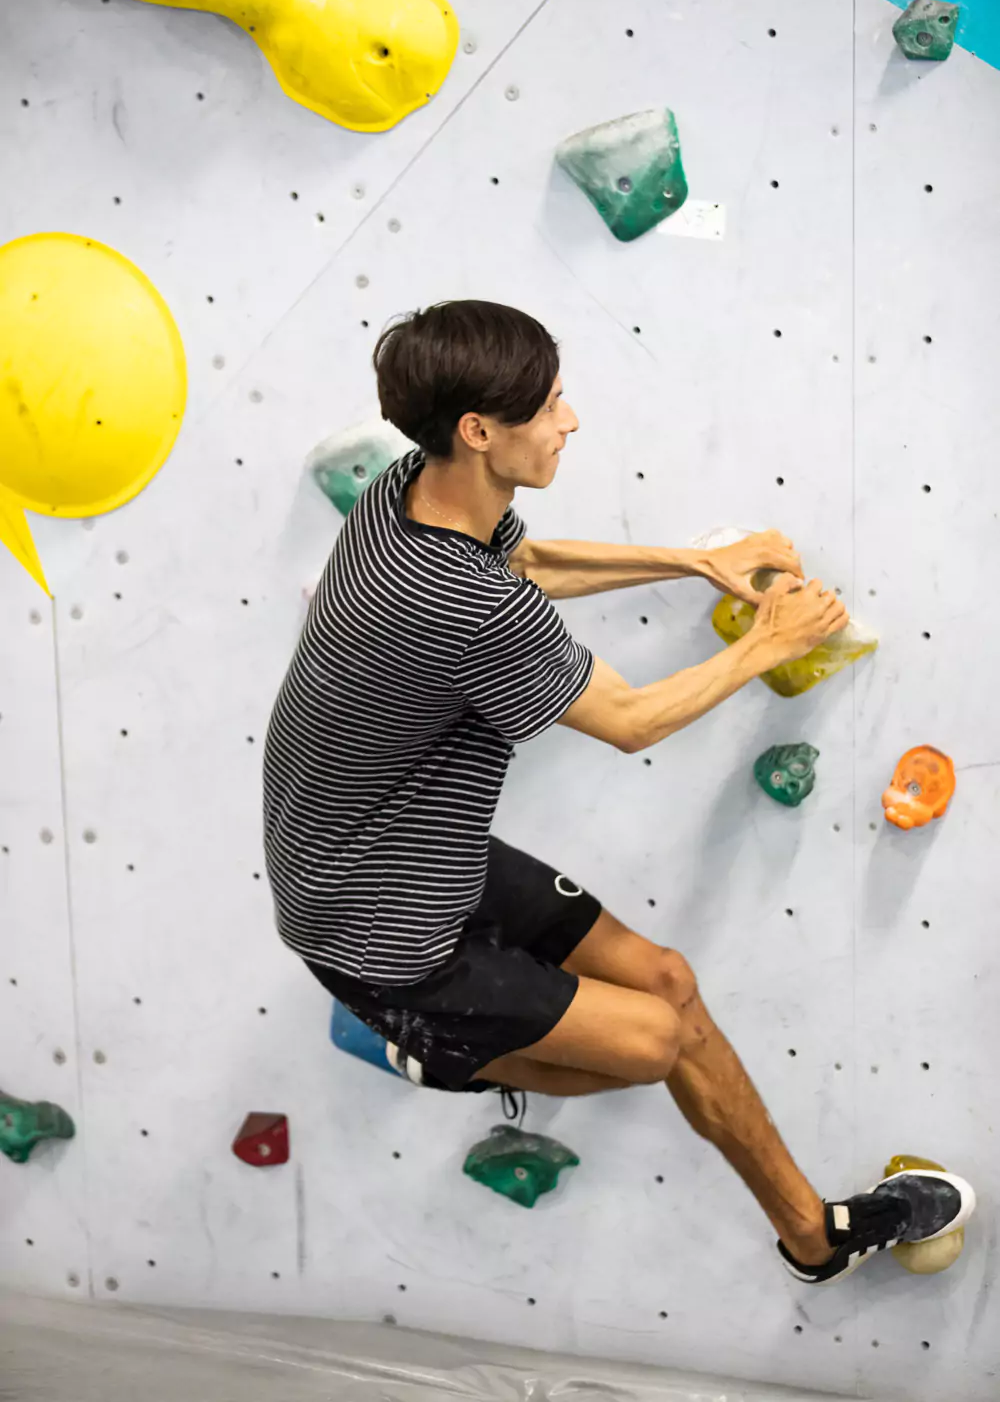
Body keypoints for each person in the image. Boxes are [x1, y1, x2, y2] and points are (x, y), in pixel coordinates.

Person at [263, 300, 974, 1286]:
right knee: (656, 1041)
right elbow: (631, 719)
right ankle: (434, 1048)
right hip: (376, 928)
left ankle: (813, 1239)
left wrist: (693, 560)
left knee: (670, 983)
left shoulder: (405, 492)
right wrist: (772, 642)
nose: (571, 421)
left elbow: (529, 560)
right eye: (550, 405)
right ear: (476, 431)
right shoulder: (458, 605)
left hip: (400, 855)